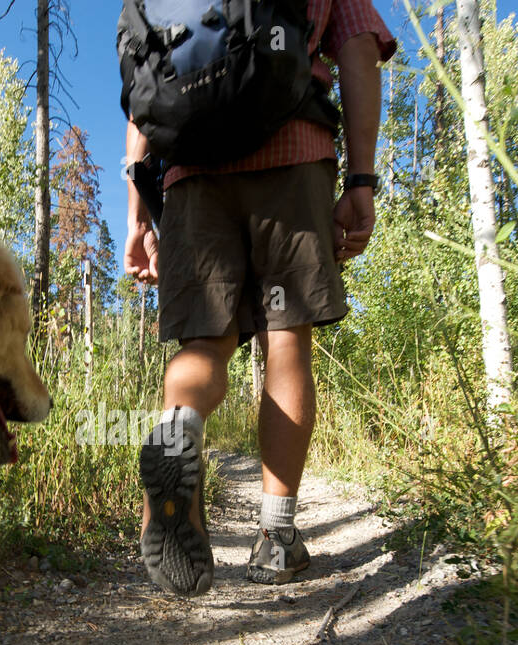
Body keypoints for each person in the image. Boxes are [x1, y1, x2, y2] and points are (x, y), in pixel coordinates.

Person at [125, 0, 397, 596]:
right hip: (292, 148)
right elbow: (357, 50)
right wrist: (361, 181)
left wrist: (138, 218)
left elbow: (144, 81)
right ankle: (276, 540)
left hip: (191, 169)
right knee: (286, 336)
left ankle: (182, 424)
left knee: (204, 340)